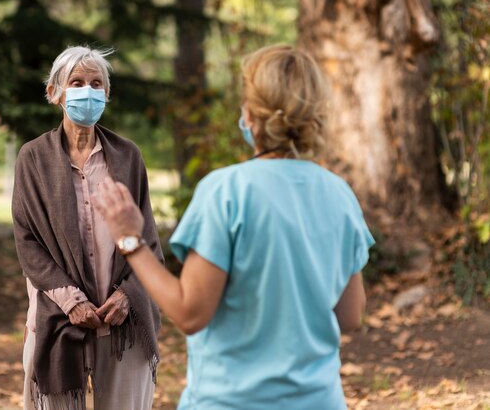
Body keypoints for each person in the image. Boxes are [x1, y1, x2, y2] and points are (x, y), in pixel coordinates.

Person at [93, 44, 375, 409]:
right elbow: (350, 315)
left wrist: (129, 239)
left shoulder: (226, 191)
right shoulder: (339, 194)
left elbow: (190, 313)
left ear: (252, 114)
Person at [12, 45, 163, 410]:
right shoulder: (33, 157)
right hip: (58, 315)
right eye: (76, 82)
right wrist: (71, 300)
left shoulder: (128, 155)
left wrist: (128, 295)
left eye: (96, 84)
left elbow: (148, 237)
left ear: (107, 94)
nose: (88, 91)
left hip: (123, 319)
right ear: (55, 93)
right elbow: (28, 242)